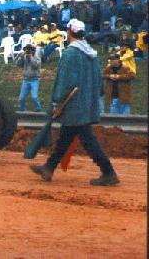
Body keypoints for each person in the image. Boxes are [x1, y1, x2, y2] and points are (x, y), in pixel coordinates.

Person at [30, 19, 119, 186]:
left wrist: (57, 103)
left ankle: (108, 172)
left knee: (87, 140)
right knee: (66, 136)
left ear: (70, 32)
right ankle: (48, 168)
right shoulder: (90, 52)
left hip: (74, 105)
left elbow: (64, 82)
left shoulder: (71, 53)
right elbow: (99, 82)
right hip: (86, 102)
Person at [16, 44, 42, 112]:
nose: (28, 51)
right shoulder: (24, 57)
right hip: (25, 80)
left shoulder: (37, 57)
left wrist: (31, 57)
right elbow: (18, 64)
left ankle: (38, 110)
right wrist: (21, 57)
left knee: (34, 97)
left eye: (30, 50)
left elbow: (35, 65)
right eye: (27, 50)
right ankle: (22, 110)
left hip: (35, 80)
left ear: (33, 51)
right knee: (21, 98)